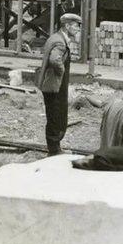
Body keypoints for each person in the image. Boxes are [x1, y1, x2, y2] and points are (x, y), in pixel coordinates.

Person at [36, 13, 82, 155]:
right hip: (54, 86)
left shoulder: (56, 37)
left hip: (51, 84)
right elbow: (55, 60)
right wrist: (61, 72)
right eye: (75, 26)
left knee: (54, 115)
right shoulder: (60, 42)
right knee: (56, 116)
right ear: (67, 26)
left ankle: (55, 148)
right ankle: (54, 150)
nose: (78, 29)